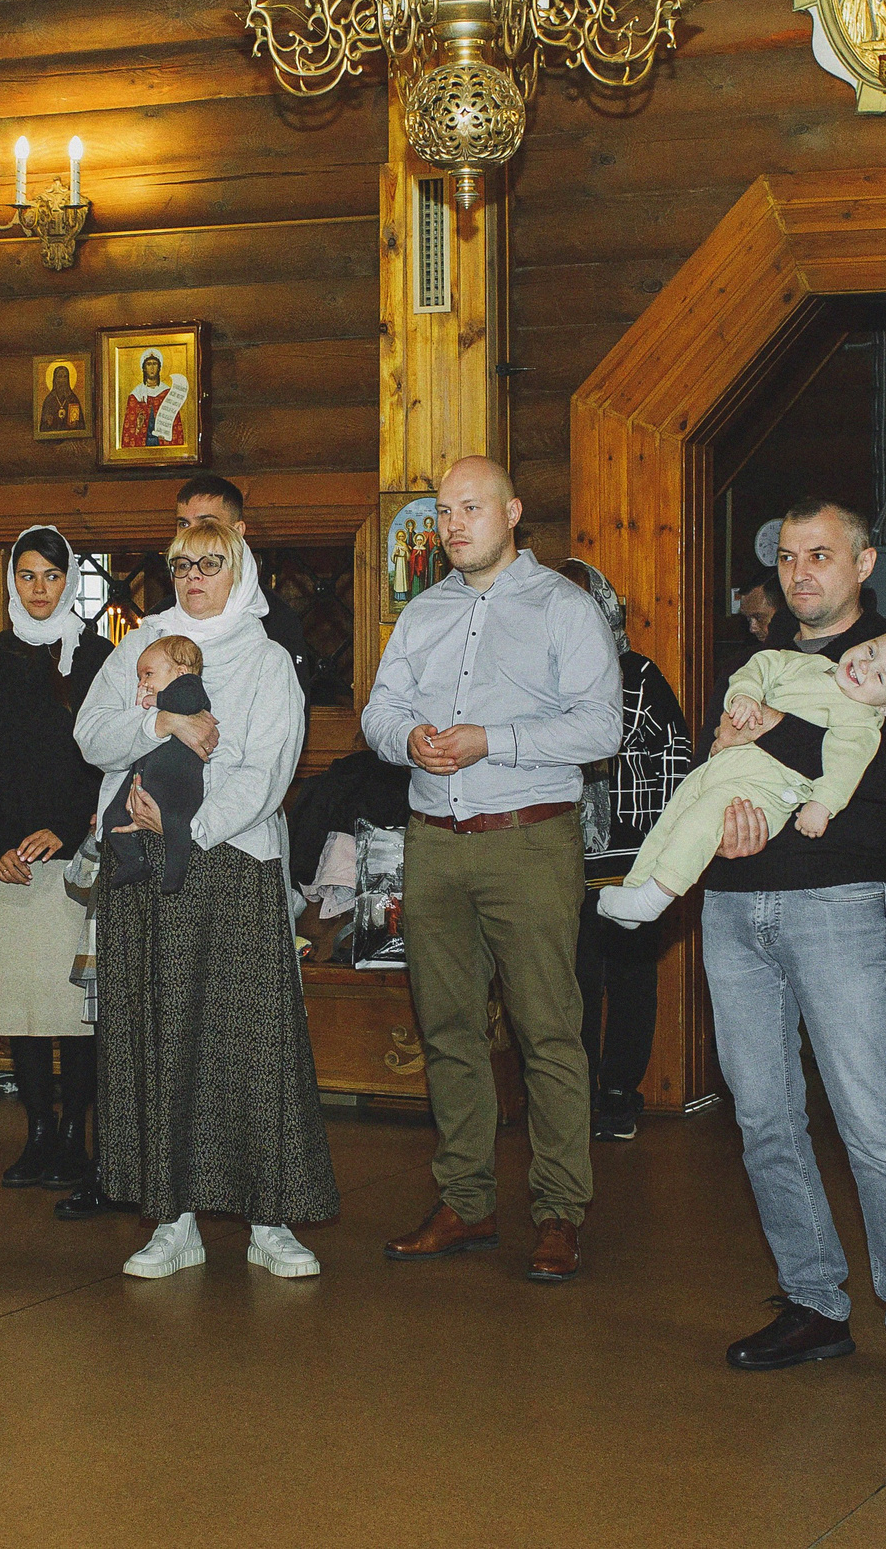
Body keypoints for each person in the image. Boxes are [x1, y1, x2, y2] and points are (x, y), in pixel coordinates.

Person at [696, 498, 886, 1395]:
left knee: (870, 1118)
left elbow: (882, 776)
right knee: (764, 1115)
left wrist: (771, 729)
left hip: (840, 908)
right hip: (735, 904)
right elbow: (720, 750)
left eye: (820, 554)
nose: (799, 573)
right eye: (786, 558)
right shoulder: (758, 660)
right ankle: (813, 1304)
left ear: (863, 564)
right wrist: (727, 814)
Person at [360, 457, 620, 1285]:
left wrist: (489, 740)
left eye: (471, 508)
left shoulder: (563, 607)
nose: (453, 524)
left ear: (512, 512)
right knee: (447, 1029)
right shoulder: (423, 612)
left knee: (548, 1032)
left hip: (528, 839)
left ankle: (558, 1213)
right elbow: (377, 709)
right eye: (442, 512)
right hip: (433, 837)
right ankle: (466, 1201)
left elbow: (600, 730)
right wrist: (408, 740)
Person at [75, 518, 336, 1281]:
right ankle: (173, 1219)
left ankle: (270, 1219)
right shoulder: (139, 646)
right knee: (160, 1038)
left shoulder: (264, 659)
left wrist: (188, 824)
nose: (194, 576)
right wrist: (158, 719)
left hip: (232, 862)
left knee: (250, 1041)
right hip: (143, 874)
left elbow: (267, 771)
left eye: (211, 563)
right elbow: (93, 734)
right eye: (182, 563)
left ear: (240, 566)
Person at [0, 526, 113, 1194]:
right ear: (10, 581)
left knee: (71, 1009)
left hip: (73, 859)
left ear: (70, 579)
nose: (39, 588)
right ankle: (37, 1132)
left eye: (51, 575)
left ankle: (75, 1136)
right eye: (27, 575)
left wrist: (67, 830)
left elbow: (108, 759)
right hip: (5, 863)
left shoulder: (99, 656)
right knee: (20, 1005)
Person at [597, 632, 886, 928]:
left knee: (699, 823)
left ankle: (654, 898)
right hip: (721, 769)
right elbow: (762, 665)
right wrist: (745, 695)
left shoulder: (860, 721)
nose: (865, 666)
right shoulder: (808, 663)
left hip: (764, 790)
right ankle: (636, 888)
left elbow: (844, 768)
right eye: (871, 651)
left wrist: (822, 804)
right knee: (671, 821)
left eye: (880, 677)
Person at [556, 560, 692, 1143]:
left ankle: (619, 1093)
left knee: (632, 978)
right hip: (562, 858)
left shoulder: (638, 675)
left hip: (634, 861)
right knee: (573, 980)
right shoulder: (542, 677)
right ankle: (577, 1094)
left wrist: (662, 853)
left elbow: (677, 759)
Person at [176, 475, 320, 703]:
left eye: (206, 524)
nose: (191, 534)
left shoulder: (275, 620)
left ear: (238, 531)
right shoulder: (158, 621)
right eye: (183, 524)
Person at [100, 635, 209, 892]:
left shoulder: (190, 687)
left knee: (175, 824)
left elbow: (188, 703)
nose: (143, 683)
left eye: (148, 674)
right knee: (111, 817)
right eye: (140, 677)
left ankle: (176, 872)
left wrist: (156, 701)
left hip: (178, 782)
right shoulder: (158, 701)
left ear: (181, 672)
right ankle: (133, 861)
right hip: (143, 777)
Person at [38, 364, 84, 434]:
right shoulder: (49, 400)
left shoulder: (73, 399)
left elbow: (82, 426)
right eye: (59, 377)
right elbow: (42, 429)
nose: (62, 380)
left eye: (65, 377)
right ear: (55, 379)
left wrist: (76, 425)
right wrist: (48, 423)